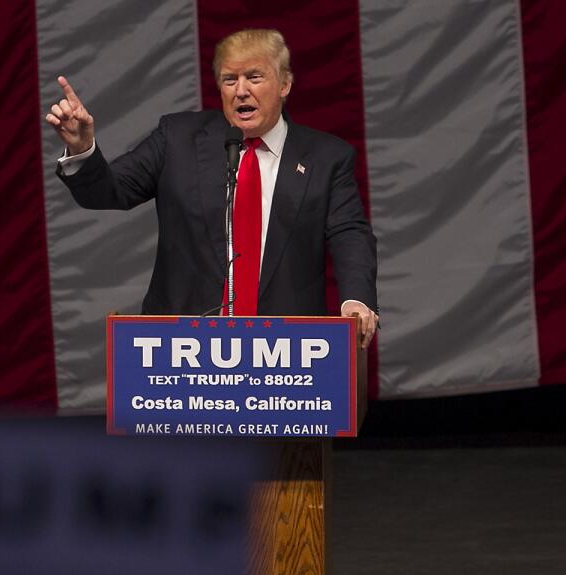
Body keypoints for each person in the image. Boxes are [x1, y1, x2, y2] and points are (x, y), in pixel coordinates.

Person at [46, 28, 379, 347]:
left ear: (285, 84)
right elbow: (109, 190)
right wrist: (82, 149)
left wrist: (356, 300)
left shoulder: (327, 157)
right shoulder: (177, 139)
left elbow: (349, 232)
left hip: (286, 351)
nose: (241, 90)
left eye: (255, 77)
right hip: (184, 348)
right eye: (229, 79)